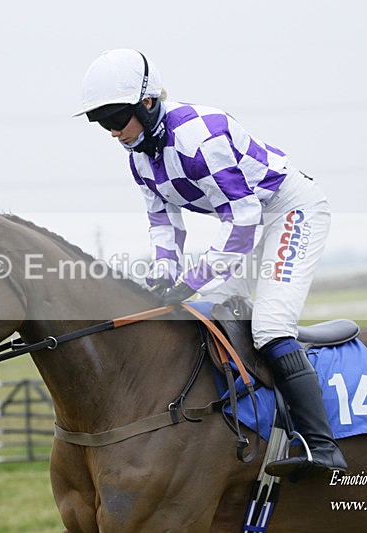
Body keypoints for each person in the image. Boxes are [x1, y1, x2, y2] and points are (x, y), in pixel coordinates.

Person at [74, 49, 346, 480]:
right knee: (205, 314)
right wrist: (163, 279)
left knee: (270, 327)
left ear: (148, 103)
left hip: (289, 211)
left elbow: (243, 219)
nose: (112, 131)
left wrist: (192, 278)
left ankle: (322, 446)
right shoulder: (139, 156)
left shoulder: (200, 138)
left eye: (117, 117)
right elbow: (164, 225)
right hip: (249, 221)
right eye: (100, 121)